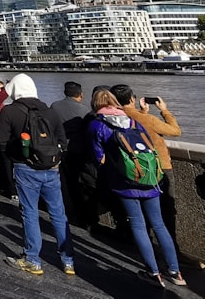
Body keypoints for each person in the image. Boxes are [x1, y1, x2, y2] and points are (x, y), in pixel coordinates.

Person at [88, 89, 185, 288]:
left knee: (139, 225)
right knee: (159, 224)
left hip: (125, 182)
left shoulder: (96, 124)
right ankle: (176, 272)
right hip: (149, 178)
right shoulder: (134, 121)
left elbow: (99, 158)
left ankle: (153, 273)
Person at [0, 73, 75, 277]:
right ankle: (68, 261)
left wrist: (18, 155)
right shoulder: (50, 110)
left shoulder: (10, 111)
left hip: (25, 168)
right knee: (58, 213)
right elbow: (62, 140)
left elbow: (0, 141)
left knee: (30, 213)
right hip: (52, 168)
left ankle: (33, 260)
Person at [111, 84, 182, 249]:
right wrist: (164, 111)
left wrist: (142, 112)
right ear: (132, 99)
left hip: (129, 169)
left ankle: (145, 245)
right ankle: (172, 249)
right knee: (166, 210)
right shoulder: (147, 119)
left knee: (140, 214)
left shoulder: (115, 118)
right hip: (158, 168)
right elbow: (175, 131)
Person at [50, 81, 88, 226]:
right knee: (81, 181)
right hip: (79, 149)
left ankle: (71, 208)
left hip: (62, 148)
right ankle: (84, 214)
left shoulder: (54, 106)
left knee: (68, 182)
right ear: (80, 94)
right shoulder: (83, 110)